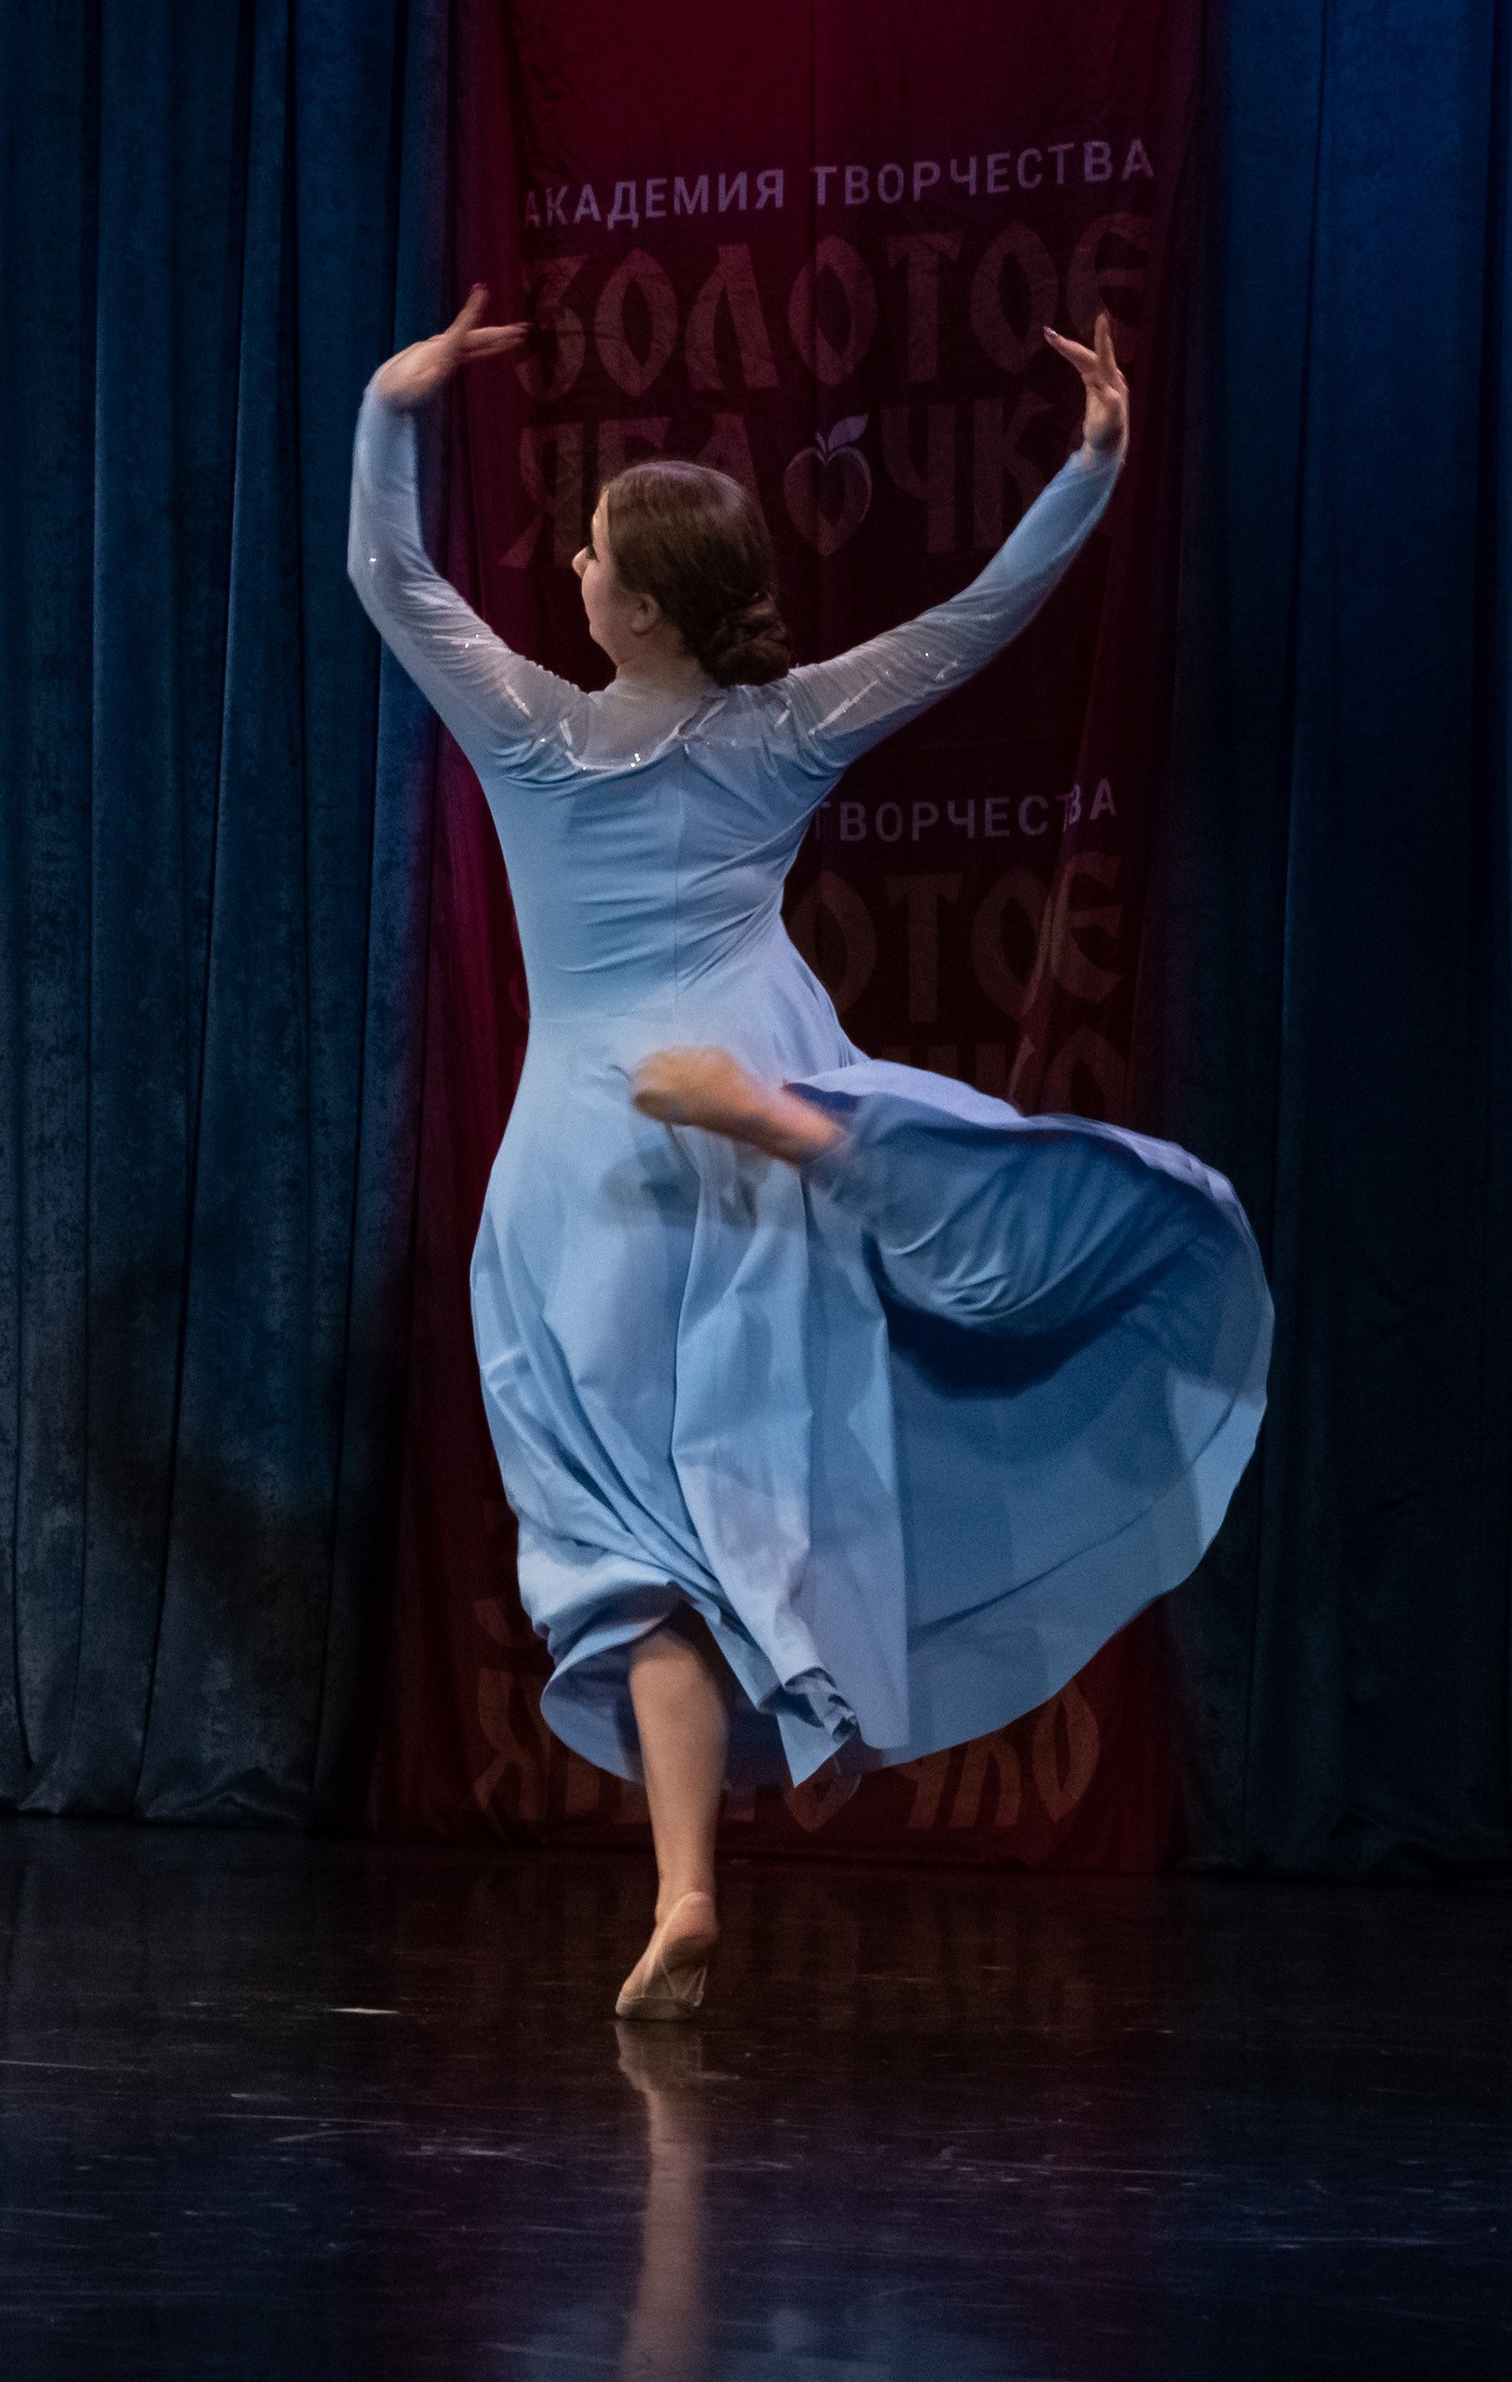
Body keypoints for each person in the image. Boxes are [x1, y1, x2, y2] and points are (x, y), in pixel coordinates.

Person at [350, 292, 1271, 2020]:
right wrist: (1090, 469)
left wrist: (390, 414)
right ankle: (802, 1132)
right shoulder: (784, 731)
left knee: (625, 1546)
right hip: (746, 1108)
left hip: (592, 1148)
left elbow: (390, 579)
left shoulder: (531, 732)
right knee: (764, 1469)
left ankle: (688, 1886)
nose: (571, 568)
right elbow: (975, 622)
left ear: (641, 603)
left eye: (592, 553)